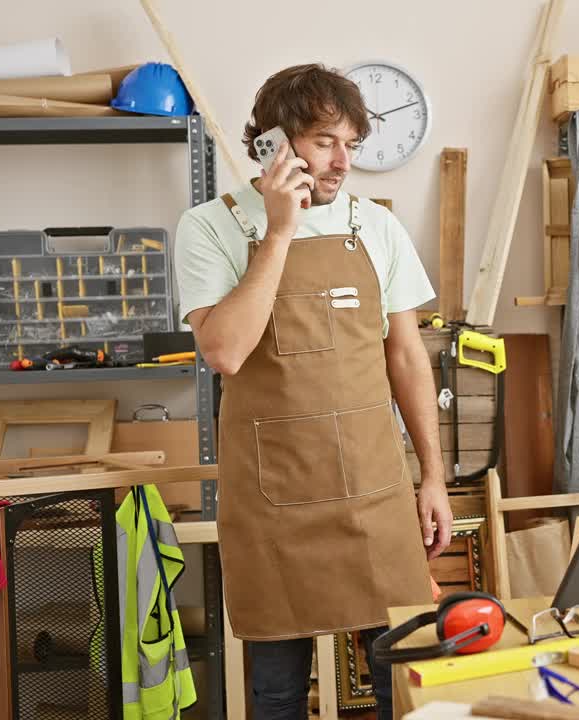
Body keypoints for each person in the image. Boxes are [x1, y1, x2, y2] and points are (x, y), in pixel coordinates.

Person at [173, 63, 452, 720]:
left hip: (373, 489)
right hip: (275, 502)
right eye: (327, 141)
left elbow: (407, 357)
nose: (342, 162)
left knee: (402, 681)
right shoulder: (211, 228)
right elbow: (225, 351)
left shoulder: (375, 227)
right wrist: (278, 232)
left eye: (351, 145)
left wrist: (433, 476)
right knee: (276, 693)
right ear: (275, 141)